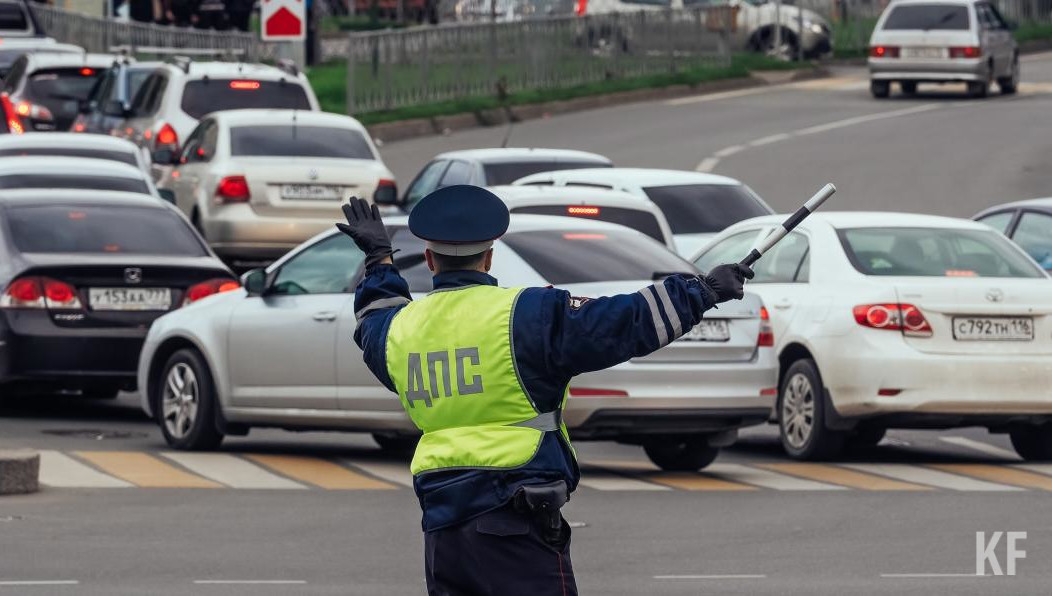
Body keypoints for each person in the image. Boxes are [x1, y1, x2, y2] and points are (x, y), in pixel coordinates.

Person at [340, 186, 753, 596]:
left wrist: (379, 259)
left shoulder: (401, 331)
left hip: (443, 528)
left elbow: (374, 318)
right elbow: (623, 322)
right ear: (489, 255)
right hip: (514, 516)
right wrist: (703, 291)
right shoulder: (527, 313)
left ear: (429, 260)